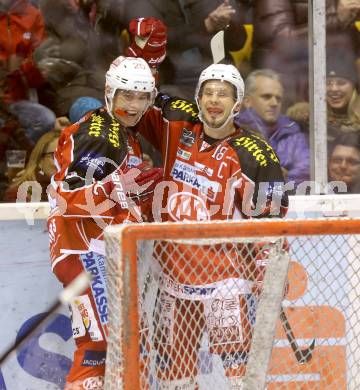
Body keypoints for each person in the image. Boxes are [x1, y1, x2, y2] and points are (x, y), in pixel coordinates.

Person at [133, 62, 288, 389]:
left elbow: (272, 218)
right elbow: (136, 103)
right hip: (173, 278)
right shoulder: (177, 128)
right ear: (198, 98)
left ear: (238, 103)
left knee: (240, 376)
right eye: (208, 93)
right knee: (174, 372)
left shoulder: (255, 153)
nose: (214, 100)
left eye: (223, 94)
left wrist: (268, 269)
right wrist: (147, 56)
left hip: (227, 281)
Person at [47, 56, 163, 389]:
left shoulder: (120, 129)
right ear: (109, 92)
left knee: (124, 346)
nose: (135, 105)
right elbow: (70, 200)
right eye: (127, 95)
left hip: (101, 251)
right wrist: (117, 187)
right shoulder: (102, 135)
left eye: (142, 97)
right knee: (98, 348)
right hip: (84, 250)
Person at [235, 69, 310, 188]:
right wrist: (277, 174)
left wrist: (277, 179)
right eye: (267, 97)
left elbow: (307, 171)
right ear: (248, 101)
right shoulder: (235, 131)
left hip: (290, 202)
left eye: (278, 98)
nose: (274, 103)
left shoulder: (292, 131)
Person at [3, 129, 60, 201]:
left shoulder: (72, 190)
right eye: (56, 156)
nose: (62, 162)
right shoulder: (18, 194)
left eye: (66, 156)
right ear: (40, 161)